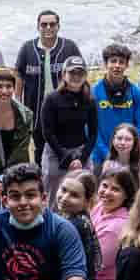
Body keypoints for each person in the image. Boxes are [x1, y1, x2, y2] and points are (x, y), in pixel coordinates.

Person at [14, 10, 82, 165]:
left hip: (64, 107)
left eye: (52, 24)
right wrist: (17, 100)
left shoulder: (69, 47)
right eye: (44, 24)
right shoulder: (27, 48)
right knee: (39, 146)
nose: (48, 28)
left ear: (58, 26)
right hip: (36, 108)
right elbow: (18, 74)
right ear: (38, 26)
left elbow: (80, 72)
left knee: (64, 144)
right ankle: (41, 180)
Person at [40, 56, 99, 204]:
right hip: (56, 152)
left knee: (84, 194)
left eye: (80, 73)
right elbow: (47, 132)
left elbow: (93, 132)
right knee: (52, 197)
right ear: (63, 75)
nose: (76, 77)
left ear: (85, 76)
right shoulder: (52, 99)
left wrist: (82, 157)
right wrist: (65, 157)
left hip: (81, 152)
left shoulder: (90, 100)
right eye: (72, 73)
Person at [58, 170, 111, 280]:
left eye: (74, 195)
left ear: (87, 201)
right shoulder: (77, 218)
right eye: (63, 190)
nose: (64, 197)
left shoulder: (75, 225)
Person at [91, 166, 136, 280]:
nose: (107, 192)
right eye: (104, 185)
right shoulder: (101, 207)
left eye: (115, 189)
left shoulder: (116, 228)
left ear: (126, 196)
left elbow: (95, 265)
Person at [90, 43, 140, 164]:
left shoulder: (135, 92)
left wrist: (130, 151)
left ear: (126, 65)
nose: (117, 66)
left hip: (128, 155)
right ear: (105, 64)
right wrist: (106, 154)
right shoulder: (94, 92)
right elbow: (91, 128)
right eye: (113, 61)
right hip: (100, 157)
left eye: (121, 62)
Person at [99, 123, 140, 188]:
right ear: (113, 140)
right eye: (119, 138)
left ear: (135, 142)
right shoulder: (107, 164)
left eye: (128, 139)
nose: (122, 143)